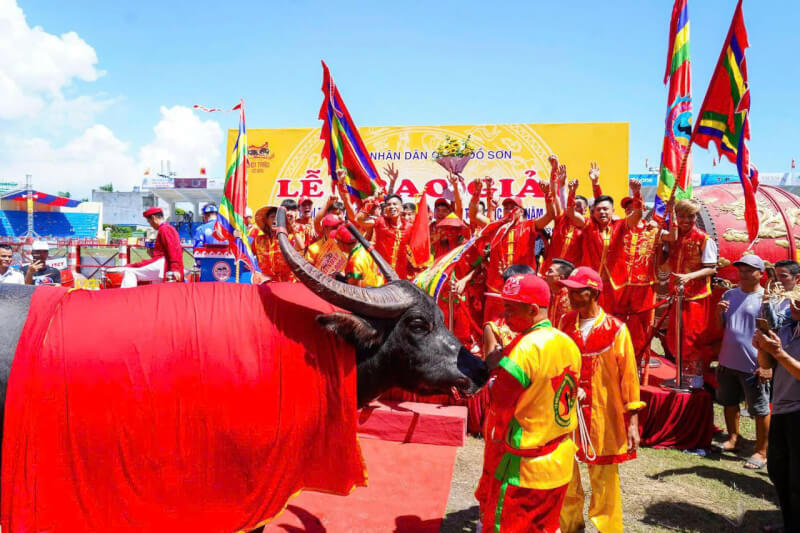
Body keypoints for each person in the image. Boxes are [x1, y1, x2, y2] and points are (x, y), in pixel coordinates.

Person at [477, 274, 581, 533]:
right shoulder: (568, 343)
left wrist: (492, 378)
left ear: (533, 310)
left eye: (511, 309)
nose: (505, 315)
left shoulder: (525, 349)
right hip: (559, 462)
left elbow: (499, 401)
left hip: (524, 468)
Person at [557, 267, 644, 533]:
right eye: (568, 290)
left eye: (576, 291)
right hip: (566, 411)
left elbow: (629, 377)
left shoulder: (616, 330)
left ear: (593, 292)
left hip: (603, 413)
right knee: (565, 471)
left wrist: (632, 422)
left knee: (604, 477)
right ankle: (570, 526)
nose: (569, 295)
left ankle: (608, 528)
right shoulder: (564, 323)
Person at [716, 254, 771, 470]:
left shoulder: (766, 299)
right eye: (741, 270)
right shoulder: (730, 294)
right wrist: (719, 313)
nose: (744, 274)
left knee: (759, 409)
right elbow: (724, 326)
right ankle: (733, 439)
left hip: (753, 364)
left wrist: (766, 365)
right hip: (727, 361)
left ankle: (762, 451)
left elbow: (772, 333)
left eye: (749, 270)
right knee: (729, 403)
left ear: (761, 273)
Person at [753, 294, 800, 533]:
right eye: (794, 302)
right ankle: (790, 523)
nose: (792, 305)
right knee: (778, 471)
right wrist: (763, 348)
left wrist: (779, 353)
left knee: (796, 478)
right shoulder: (788, 327)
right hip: (782, 407)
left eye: (798, 303)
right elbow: (768, 365)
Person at [483, 180, 556, 323]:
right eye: (506, 208)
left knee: (520, 325)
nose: (509, 210)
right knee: (492, 329)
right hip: (496, 288)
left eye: (513, 207)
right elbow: (474, 216)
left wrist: (548, 195)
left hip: (521, 288)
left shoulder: (529, 226)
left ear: (521, 211)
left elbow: (550, 215)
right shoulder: (497, 227)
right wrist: (482, 199)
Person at [604, 181, 659, 364]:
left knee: (642, 324)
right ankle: (615, 355)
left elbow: (672, 238)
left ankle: (640, 358)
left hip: (644, 284)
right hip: (619, 282)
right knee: (615, 319)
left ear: (642, 207)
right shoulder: (620, 226)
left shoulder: (653, 230)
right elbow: (633, 218)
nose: (629, 210)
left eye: (633, 206)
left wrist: (671, 214)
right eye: (626, 208)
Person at [662, 198, 718, 374]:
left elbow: (711, 268)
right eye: (682, 216)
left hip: (696, 297)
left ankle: (695, 375)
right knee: (674, 337)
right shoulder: (673, 237)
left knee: (691, 338)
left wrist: (689, 277)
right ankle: (682, 372)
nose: (686, 220)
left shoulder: (704, 239)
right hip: (676, 294)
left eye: (691, 216)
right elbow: (664, 264)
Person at [115, 207, 183, 288]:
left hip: (163, 264)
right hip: (164, 264)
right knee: (157, 287)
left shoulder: (165, 229)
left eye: (149, 221)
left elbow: (172, 249)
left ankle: (127, 297)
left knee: (129, 271)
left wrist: (174, 268)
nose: (150, 224)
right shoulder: (167, 228)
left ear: (153, 218)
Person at [252, 205, 303, 283]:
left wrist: (292, 227)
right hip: (265, 284)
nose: (275, 219)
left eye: (278, 218)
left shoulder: (288, 238)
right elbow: (247, 256)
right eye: (272, 216)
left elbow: (300, 246)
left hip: (286, 283)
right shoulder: (258, 240)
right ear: (266, 220)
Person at [544, 258, 575, 327]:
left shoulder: (570, 298)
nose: (546, 273)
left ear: (561, 277)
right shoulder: (549, 293)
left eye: (550, 271)